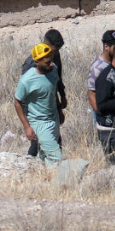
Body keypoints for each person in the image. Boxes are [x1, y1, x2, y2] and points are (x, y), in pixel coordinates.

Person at [14, 41, 64, 163]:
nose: (51, 63)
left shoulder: (53, 70)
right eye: (47, 62)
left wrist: (59, 110)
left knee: (44, 156)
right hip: (39, 122)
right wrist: (27, 127)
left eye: (51, 59)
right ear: (37, 61)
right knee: (56, 158)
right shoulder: (27, 80)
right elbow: (17, 102)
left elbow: (53, 89)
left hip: (54, 118)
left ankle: (42, 177)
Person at [27, 28, 68, 159]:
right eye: (55, 50)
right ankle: (31, 163)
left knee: (55, 138)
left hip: (51, 105)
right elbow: (24, 94)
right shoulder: (32, 63)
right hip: (37, 109)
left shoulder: (55, 55)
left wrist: (62, 97)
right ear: (46, 44)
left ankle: (52, 165)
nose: (56, 54)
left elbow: (58, 78)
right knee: (38, 140)